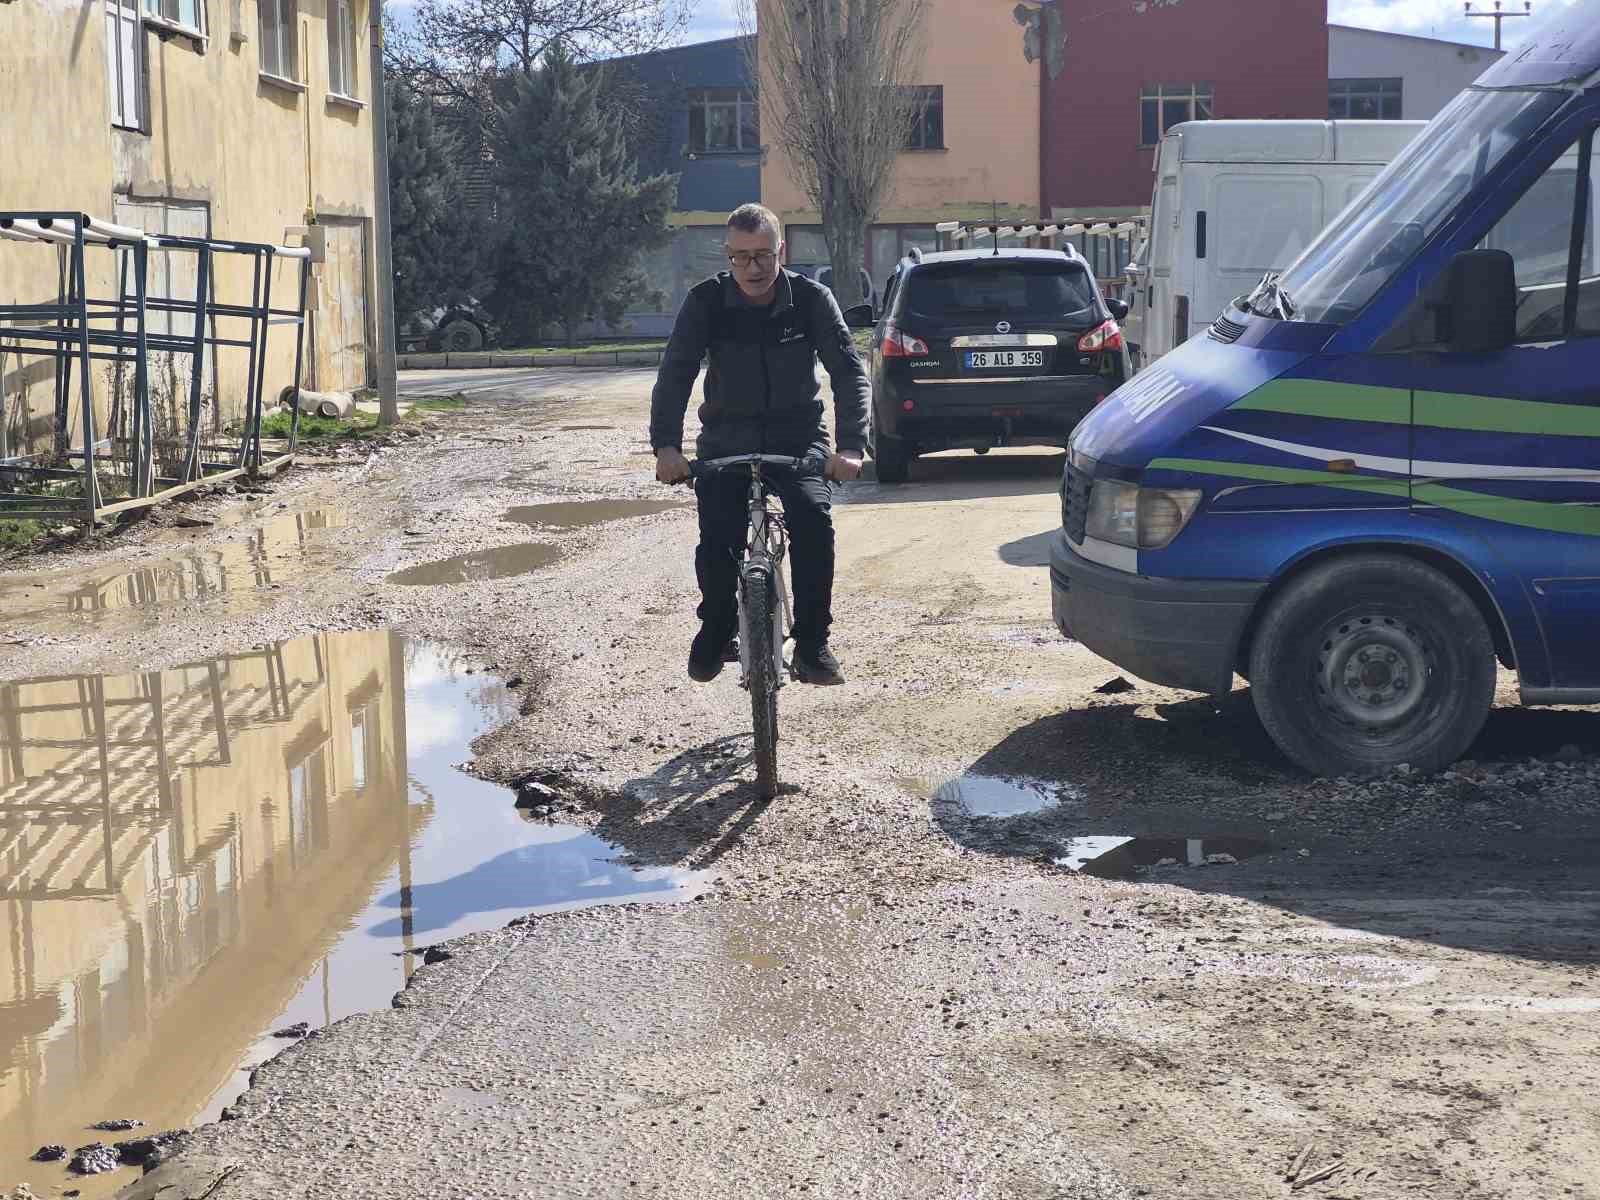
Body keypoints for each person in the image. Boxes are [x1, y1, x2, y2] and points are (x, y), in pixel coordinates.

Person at [650, 203, 870, 686]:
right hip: (726, 441)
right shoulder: (705, 302)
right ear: (728, 255)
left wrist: (852, 446)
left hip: (799, 441)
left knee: (813, 523)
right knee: (718, 537)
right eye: (741, 257)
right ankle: (716, 628)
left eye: (763, 256)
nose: (753, 268)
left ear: (781, 251)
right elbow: (676, 374)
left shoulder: (811, 299)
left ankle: (812, 645)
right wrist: (666, 447)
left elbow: (849, 372)